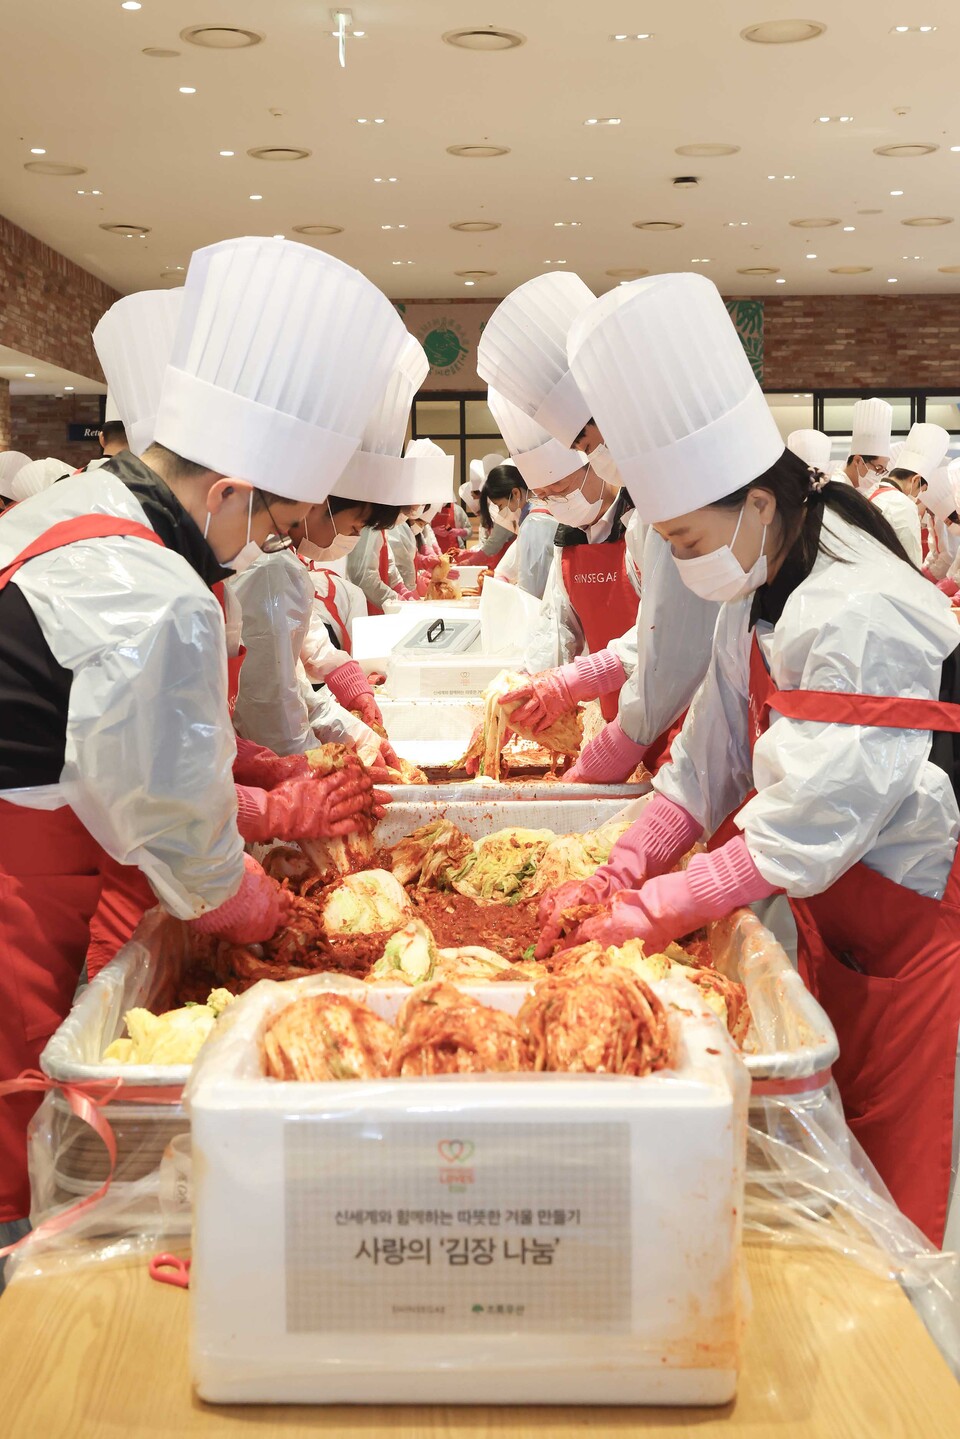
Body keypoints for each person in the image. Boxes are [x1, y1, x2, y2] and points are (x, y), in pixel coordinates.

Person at [0, 236, 409, 1237]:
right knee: (16, 1133)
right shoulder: (153, 592)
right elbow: (184, 834)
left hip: (40, 852)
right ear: (227, 489)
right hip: (19, 891)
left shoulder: (67, 513)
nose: (264, 548)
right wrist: (280, 915)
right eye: (271, 525)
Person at [542, 269, 960, 1245]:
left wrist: (659, 908)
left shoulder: (861, 611)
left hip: (903, 932)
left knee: (885, 1214)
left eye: (688, 537)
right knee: (820, 1176)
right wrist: (627, 860)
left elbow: (806, 823)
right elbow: (708, 759)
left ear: (757, 502)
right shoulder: (763, 584)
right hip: (830, 919)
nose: (687, 564)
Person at [479, 273, 718, 781]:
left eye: (584, 451)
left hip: (687, 730)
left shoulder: (657, 518)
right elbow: (555, 624)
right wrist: (538, 680)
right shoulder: (580, 537)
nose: (555, 506)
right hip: (632, 721)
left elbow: (672, 645)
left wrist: (577, 680)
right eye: (544, 497)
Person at [479, 462, 558, 600]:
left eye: (500, 506)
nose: (501, 513)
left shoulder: (535, 522)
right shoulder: (534, 516)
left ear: (515, 493)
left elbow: (531, 589)